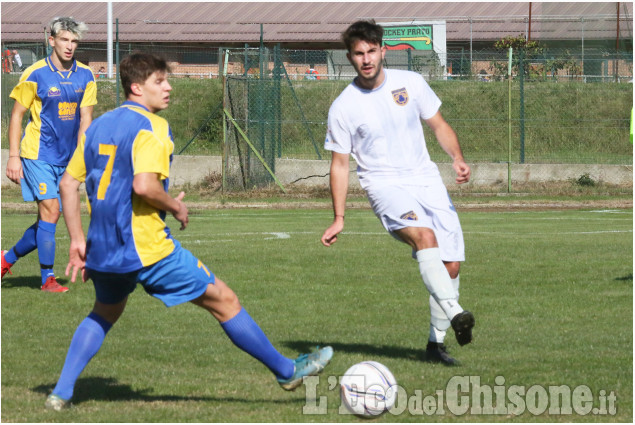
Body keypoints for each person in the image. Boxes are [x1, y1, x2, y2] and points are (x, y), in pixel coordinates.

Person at [45, 52, 333, 411]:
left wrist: (76, 240)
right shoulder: (152, 127)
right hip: (146, 247)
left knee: (104, 313)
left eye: (167, 80)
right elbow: (144, 186)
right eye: (159, 82)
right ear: (136, 87)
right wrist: (175, 205)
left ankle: (61, 393)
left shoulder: (98, 126)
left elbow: (68, 183)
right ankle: (287, 370)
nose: (168, 88)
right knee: (225, 301)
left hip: (104, 246)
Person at [320, 20, 474, 366]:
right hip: (383, 184)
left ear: (382, 51)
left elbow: (438, 124)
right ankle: (456, 312)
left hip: (426, 178)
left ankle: (436, 346)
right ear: (350, 57)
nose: (366, 59)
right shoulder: (343, 106)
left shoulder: (412, 83)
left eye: (371, 51)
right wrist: (339, 217)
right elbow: (340, 165)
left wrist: (458, 158)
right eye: (358, 54)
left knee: (451, 265)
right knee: (424, 237)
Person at [1, 17, 97, 292]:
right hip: (37, 153)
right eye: (64, 40)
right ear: (51, 40)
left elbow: (85, 120)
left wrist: (83, 158)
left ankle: (6, 259)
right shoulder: (35, 73)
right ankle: (48, 280)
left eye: (74, 41)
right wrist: (13, 157)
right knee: (52, 210)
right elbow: (17, 116)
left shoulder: (86, 76)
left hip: (68, 159)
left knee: (49, 217)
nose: (69, 46)